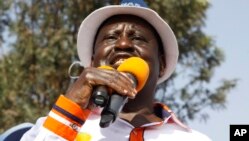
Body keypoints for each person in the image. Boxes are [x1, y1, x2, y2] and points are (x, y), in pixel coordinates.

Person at [21, 0, 212, 140]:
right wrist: (73, 106)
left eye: (138, 38)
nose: (123, 44)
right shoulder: (52, 126)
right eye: (111, 37)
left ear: (161, 65)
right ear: (91, 62)